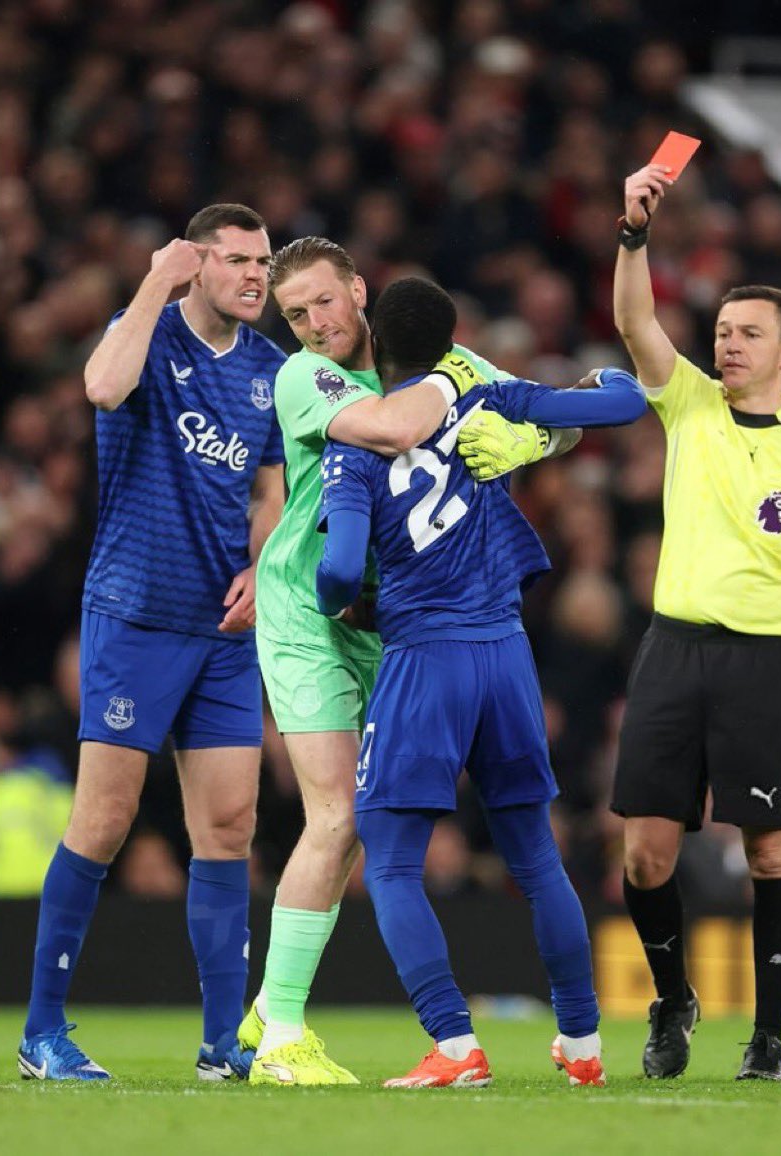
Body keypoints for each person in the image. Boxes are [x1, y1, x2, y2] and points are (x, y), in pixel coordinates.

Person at [240, 237, 579, 1085]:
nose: (314, 325)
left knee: (366, 822)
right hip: (309, 612)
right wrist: (471, 395)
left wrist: (530, 446)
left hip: (393, 621)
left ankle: (271, 1005)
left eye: (323, 302)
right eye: (294, 316)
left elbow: (560, 417)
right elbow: (393, 428)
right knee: (340, 818)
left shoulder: (432, 356)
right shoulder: (304, 379)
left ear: (359, 289)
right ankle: (280, 1034)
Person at [313, 275, 647, 1087]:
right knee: (535, 854)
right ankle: (583, 1041)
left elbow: (338, 569)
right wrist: (578, 403)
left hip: (424, 655)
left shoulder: (355, 436)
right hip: (505, 653)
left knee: (390, 860)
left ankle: (455, 1045)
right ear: (452, 340)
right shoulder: (487, 393)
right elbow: (623, 403)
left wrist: (353, 610)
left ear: (374, 345)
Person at [611, 165, 781, 1081]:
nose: (728, 346)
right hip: (672, 650)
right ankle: (672, 999)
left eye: (748, 335)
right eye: (723, 331)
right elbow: (633, 324)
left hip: (765, 664)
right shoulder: (688, 404)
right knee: (646, 855)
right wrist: (634, 234)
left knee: (771, 848)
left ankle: (767, 1037)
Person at [17, 204, 285, 1081]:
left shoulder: (271, 371)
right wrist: (151, 283)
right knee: (103, 821)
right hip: (135, 612)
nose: (257, 276)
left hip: (223, 630)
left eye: (265, 262)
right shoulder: (144, 333)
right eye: (239, 260)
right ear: (198, 263)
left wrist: (264, 565)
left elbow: (274, 492)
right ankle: (42, 1033)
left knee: (230, 825)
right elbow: (100, 387)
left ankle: (220, 1046)